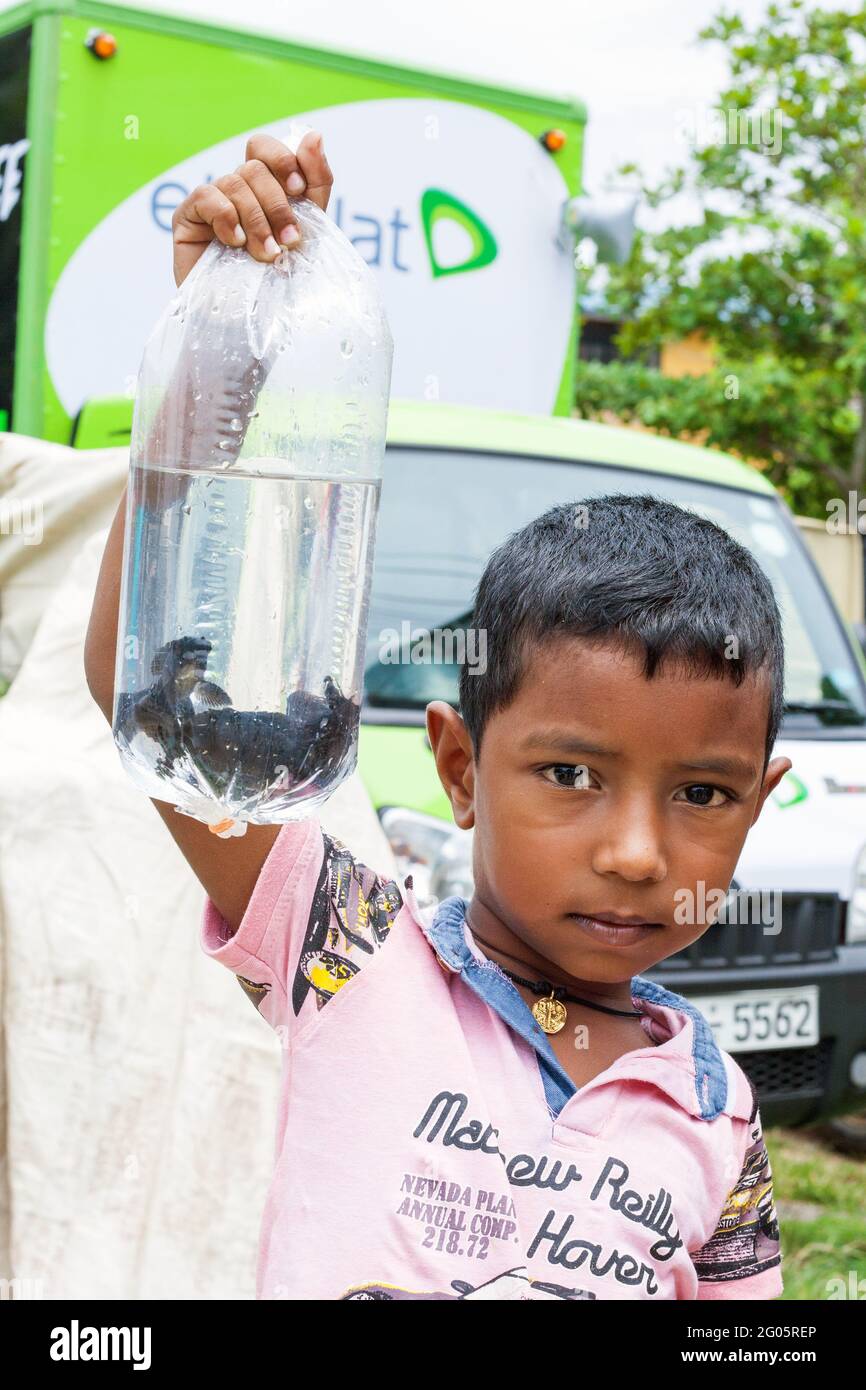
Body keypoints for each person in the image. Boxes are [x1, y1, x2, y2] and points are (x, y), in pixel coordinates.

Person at [85, 129, 789, 1302]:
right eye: (569, 774)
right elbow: (146, 695)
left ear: (757, 802)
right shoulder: (349, 952)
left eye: (701, 793)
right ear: (459, 767)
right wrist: (219, 348)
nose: (634, 853)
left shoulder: (718, 1115)